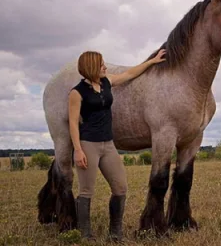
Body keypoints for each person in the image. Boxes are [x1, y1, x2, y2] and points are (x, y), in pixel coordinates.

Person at [68, 49, 166, 242]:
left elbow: (130, 74)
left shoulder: (107, 82)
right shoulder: (77, 93)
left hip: (108, 145)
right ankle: (86, 235)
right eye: (101, 64)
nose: (105, 66)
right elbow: (72, 123)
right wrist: (78, 150)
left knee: (120, 187)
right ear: (91, 67)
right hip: (89, 145)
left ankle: (115, 233)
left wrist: (152, 61)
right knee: (86, 191)